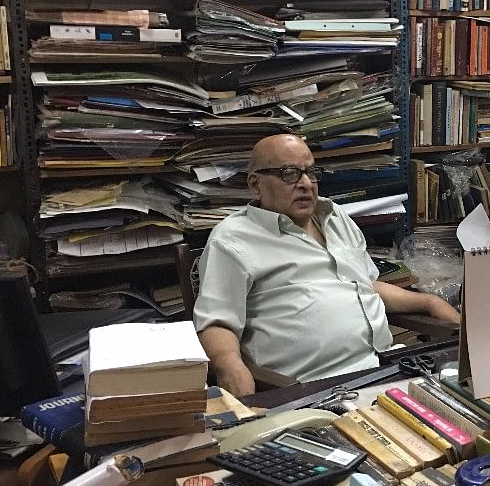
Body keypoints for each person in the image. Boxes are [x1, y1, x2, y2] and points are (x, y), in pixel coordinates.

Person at [193, 134, 460, 396]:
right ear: (255, 184)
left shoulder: (335, 217)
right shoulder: (233, 239)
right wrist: (229, 365)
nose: (306, 184)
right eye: (289, 173)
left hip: (384, 368)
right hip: (311, 388)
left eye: (311, 172)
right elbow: (217, 322)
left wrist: (429, 303)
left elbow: (365, 285)